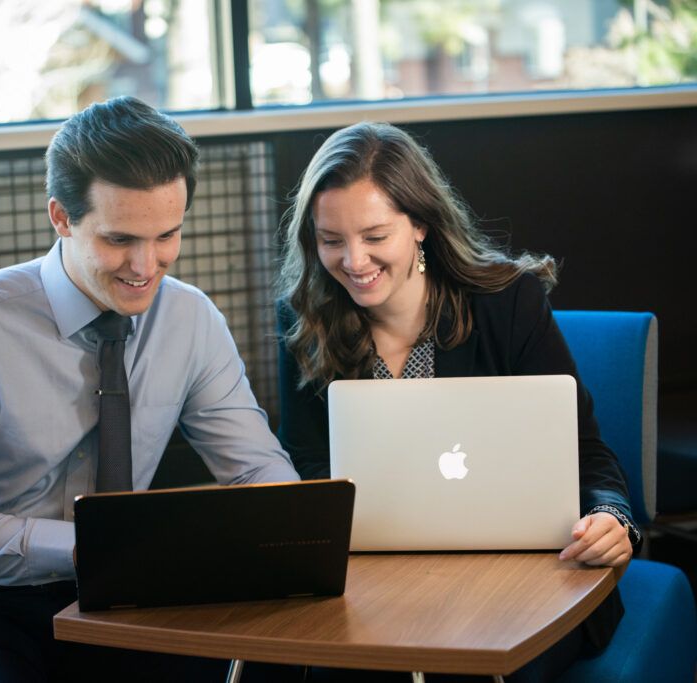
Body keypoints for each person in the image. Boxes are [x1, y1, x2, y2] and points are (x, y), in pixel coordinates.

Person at [0, 96, 299, 682]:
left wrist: (291, 534)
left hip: (128, 593)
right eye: (120, 239)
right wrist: (83, 546)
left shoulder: (190, 320)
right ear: (61, 217)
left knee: (278, 669)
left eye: (167, 235)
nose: (146, 266)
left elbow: (255, 474)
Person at [275, 122, 641, 682]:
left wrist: (612, 516)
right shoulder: (303, 323)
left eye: (375, 236)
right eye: (331, 240)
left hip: (521, 581)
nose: (353, 260)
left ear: (419, 224)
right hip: (375, 585)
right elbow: (307, 466)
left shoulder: (507, 302)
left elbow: (584, 452)